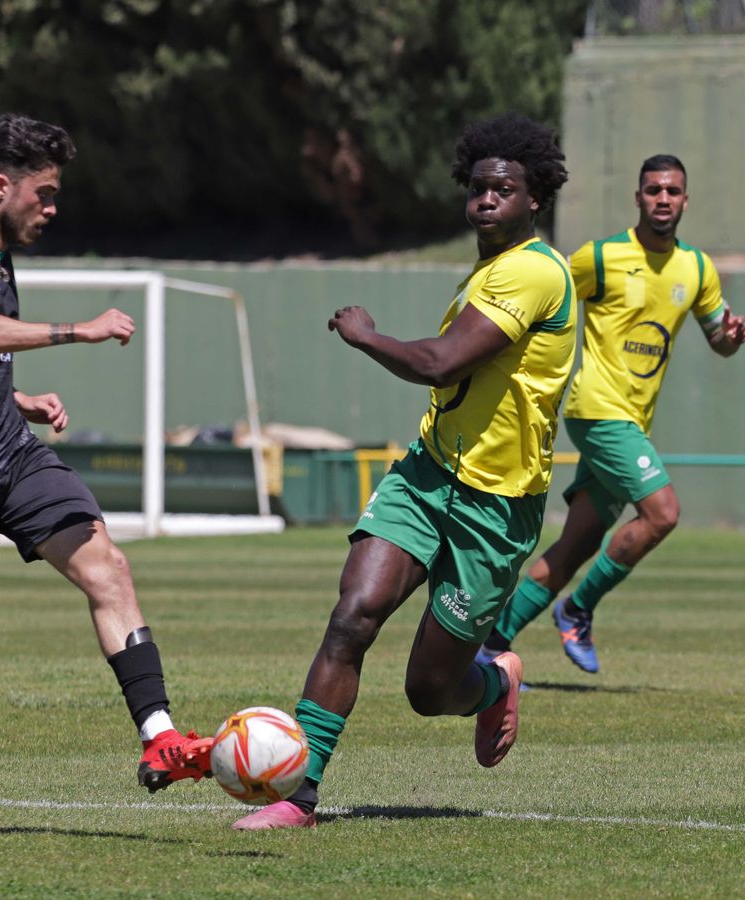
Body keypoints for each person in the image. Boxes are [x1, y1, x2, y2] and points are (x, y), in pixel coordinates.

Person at [231, 113, 574, 831]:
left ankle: (493, 683)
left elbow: (444, 361)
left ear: (533, 198)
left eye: (503, 189)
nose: (485, 200)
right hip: (427, 476)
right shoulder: (488, 271)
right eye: (477, 188)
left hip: (497, 509)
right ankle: (300, 795)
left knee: (428, 690)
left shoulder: (537, 272)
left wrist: (366, 336)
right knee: (352, 616)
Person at [0, 113, 212, 828]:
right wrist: (78, 330)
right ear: (1, 186)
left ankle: (161, 739)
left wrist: (15, 398)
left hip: (10, 453)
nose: (53, 209)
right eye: (46, 192)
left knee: (108, 566)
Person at [476, 154, 745, 675]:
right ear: (638, 197)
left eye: (672, 191)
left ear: (685, 200)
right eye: (652, 190)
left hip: (633, 421)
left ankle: (491, 647)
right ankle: (577, 610)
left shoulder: (697, 268)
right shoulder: (601, 258)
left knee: (575, 547)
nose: (662, 199)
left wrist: (729, 339)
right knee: (662, 513)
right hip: (596, 410)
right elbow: (546, 289)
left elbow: (719, 339)